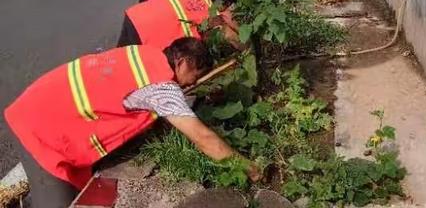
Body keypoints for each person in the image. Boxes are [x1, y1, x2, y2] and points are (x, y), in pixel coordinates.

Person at [5, 38, 260, 208]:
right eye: (196, 75)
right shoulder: (162, 88)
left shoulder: (145, 53)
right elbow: (203, 138)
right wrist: (248, 167)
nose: (192, 83)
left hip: (44, 101)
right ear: (183, 62)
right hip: (39, 127)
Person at [118, 0, 240, 50]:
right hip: (145, 35)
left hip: (135, 16)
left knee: (120, 62)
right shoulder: (213, 14)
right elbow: (231, 31)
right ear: (224, 3)